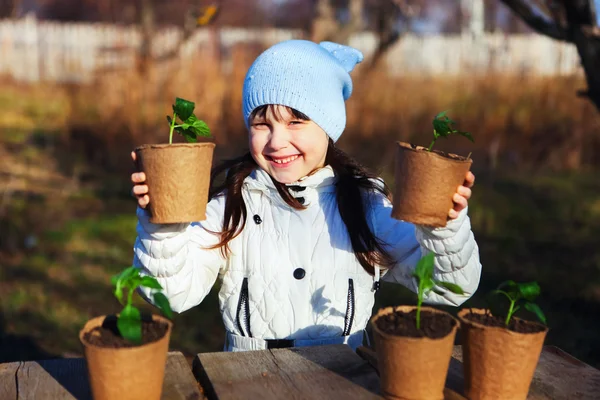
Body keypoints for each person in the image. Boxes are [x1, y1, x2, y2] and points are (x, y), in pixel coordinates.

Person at [130, 40, 481, 352]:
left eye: (296, 122)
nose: (277, 141)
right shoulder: (232, 206)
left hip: (345, 377)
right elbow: (173, 294)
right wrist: (163, 227)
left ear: (328, 128)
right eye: (261, 123)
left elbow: (451, 288)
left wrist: (444, 227)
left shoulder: (364, 206)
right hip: (248, 379)